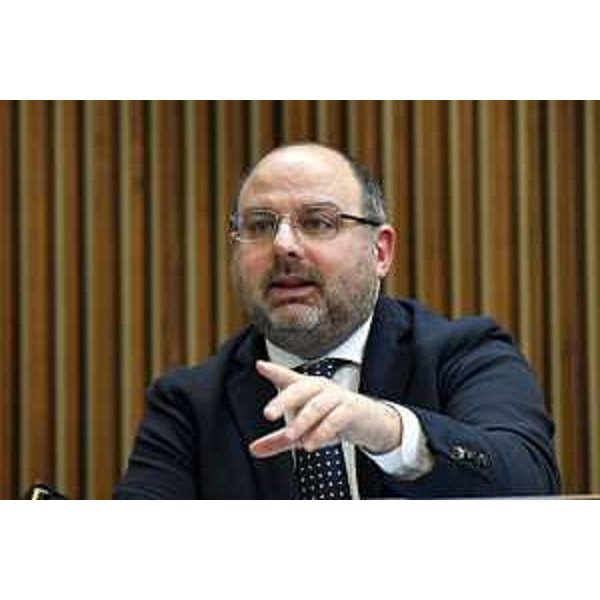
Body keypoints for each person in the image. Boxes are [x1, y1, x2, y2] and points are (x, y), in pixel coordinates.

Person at [114, 142, 560, 499]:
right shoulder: (189, 402)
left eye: (318, 222)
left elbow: (530, 482)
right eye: (260, 225)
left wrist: (387, 429)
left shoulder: (465, 353)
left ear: (380, 252)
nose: (283, 245)